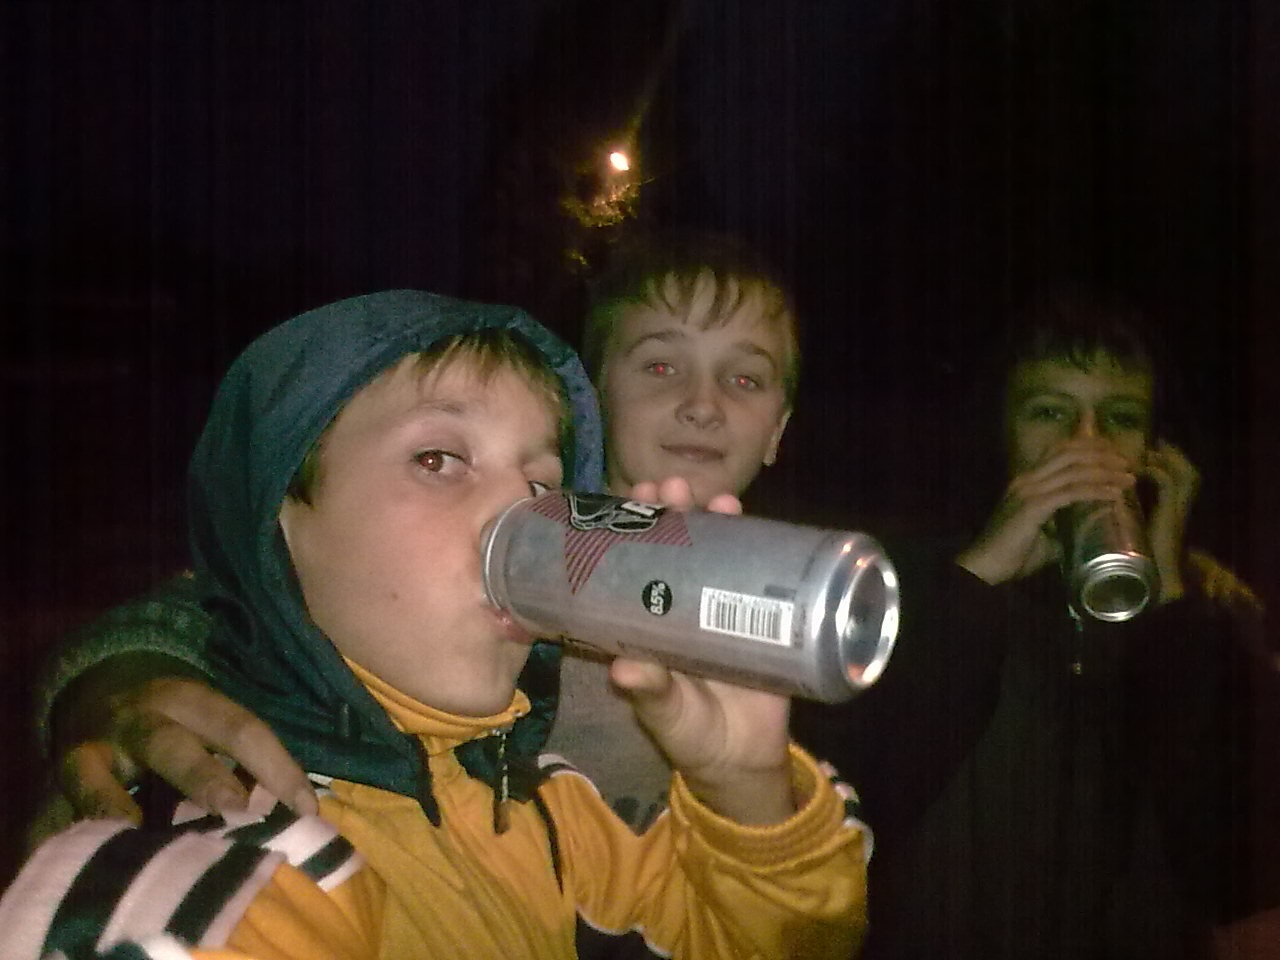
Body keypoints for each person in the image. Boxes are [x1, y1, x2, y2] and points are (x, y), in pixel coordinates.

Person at [2, 289, 866, 959]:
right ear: (276, 527)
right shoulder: (236, 839)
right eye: (439, 458)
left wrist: (744, 787)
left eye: (544, 482)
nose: (519, 513)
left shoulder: (547, 807)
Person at [32, 230, 799, 836]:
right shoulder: (515, 549)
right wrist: (121, 682)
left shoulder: (786, 615)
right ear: (595, 395)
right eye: (661, 366)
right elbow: (229, 593)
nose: (703, 405)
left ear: (778, 428)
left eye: (746, 378)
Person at [795, 286, 1278, 959]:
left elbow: (1238, 867)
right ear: (1002, 433)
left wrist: (1171, 603)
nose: (1087, 443)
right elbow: (842, 800)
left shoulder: (1208, 616)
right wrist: (974, 584)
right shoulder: (907, 581)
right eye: (1050, 412)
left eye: (1120, 418)